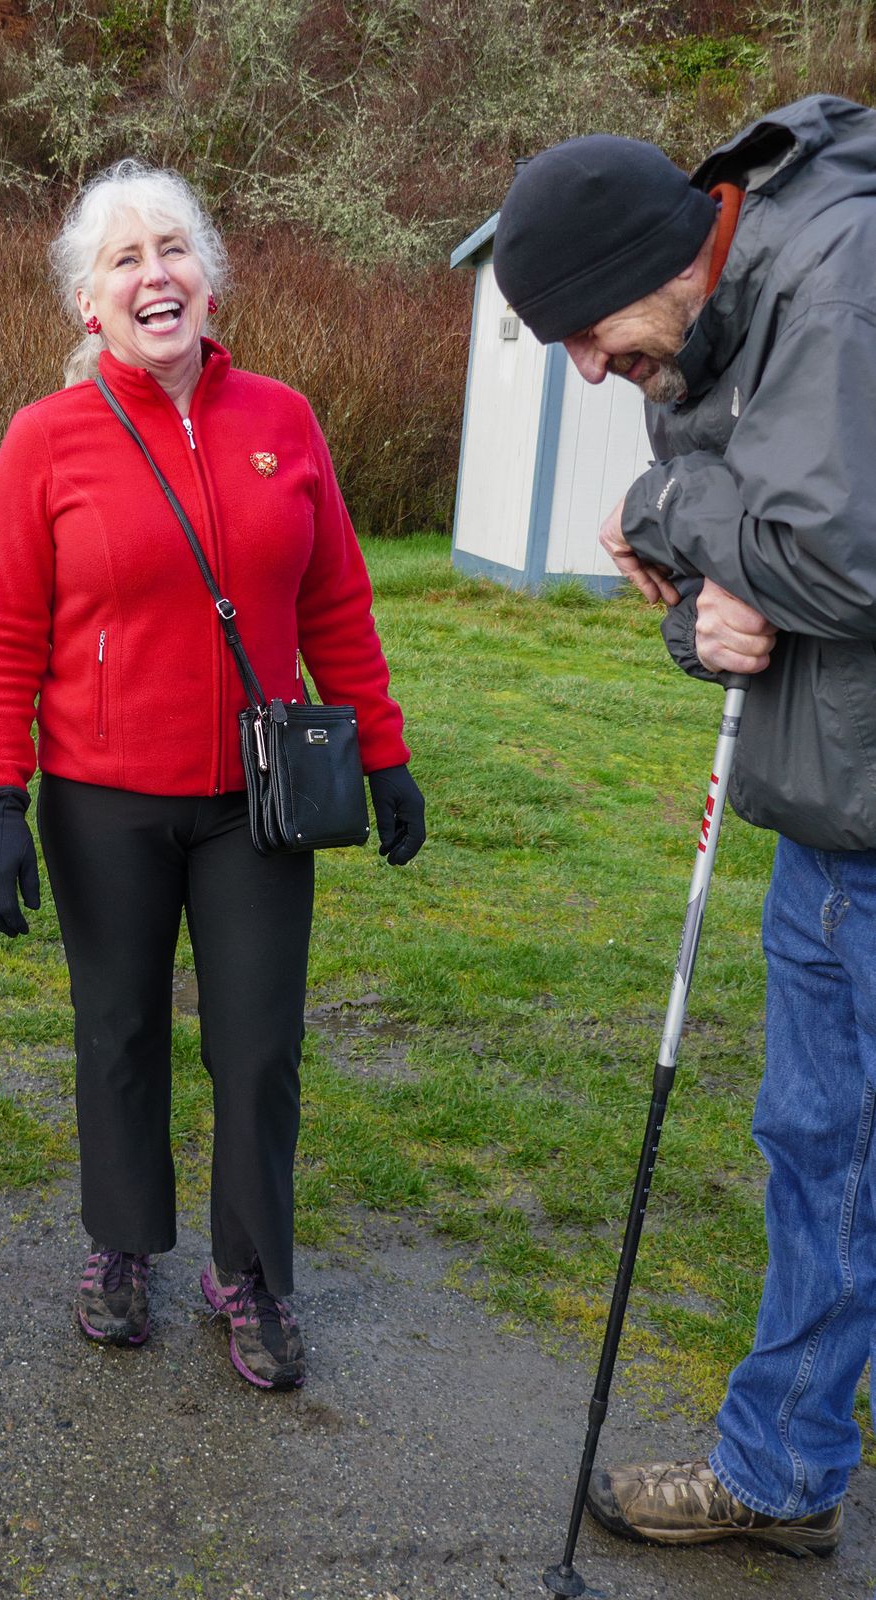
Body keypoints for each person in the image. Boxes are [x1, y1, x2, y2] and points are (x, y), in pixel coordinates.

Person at [0, 159, 425, 1390]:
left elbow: (334, 600)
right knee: (118, 1030)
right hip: (103, 800)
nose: (153, 275)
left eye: (173, 250)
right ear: (87, 304)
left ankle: (251, 1270)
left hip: (255, 801)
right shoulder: (43, 440)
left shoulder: (284, 421)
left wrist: (382, 752)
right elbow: (5, 630)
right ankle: (120, 1245)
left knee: (258, 1043)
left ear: (210, 280)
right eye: (124, 259)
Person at [492, 95, 876, 1557]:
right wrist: (691, 592)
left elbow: (827, 561)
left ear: (656, 254)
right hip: (823, 806)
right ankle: (786, 1463)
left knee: (832, 1153)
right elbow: (731, 610)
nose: (592, 370)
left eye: (585, 332)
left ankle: (784, 1463)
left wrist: (667, 501)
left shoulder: (832, 279)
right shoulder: (713, 323)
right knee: (816, 1147)